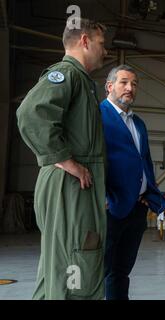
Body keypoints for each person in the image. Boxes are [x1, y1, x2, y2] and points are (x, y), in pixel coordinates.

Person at [16, 18, 108, 299]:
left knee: (66, 262)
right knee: (74, 263)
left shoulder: (82, 80)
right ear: (84, 41)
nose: (105, 51)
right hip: (69, 185)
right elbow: (31, 113)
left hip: (76, 184)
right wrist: (67, 162)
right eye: (102, 44)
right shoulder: (66, 74)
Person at [100, 65, 165, 300]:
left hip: (137, 208)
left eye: (135, 84)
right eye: (124, 82)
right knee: (101, 271)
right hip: (110, 208)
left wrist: (150, 196)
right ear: (110, 86)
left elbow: (145, 161)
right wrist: (102, 197)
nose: (130, 88)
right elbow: (92, 161)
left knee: (121, 271)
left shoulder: (138, 122)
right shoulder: (97, 116)